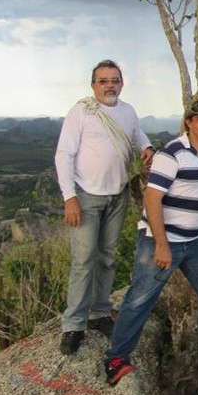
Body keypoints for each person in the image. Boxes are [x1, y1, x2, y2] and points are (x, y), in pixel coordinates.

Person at [103, 97, 198, 386]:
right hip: (162, 238)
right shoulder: (172, 153)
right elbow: (152, 198)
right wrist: (161, 244)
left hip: (196, 240)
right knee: (140, 298)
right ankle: (116, 358)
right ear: (189, 122)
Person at [55, 59, 154, 356]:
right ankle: (74, 324)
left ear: (121, 83)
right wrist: (69, 197)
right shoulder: (81, 111)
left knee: (107, 257)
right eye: (103, 81)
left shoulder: (127, 111)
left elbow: (136, 135)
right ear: (93, 85)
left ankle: (99, 313)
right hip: (86, 196)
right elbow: (64, 154)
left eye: (114, 80)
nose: (109, 85)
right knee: (84, 259)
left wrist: (147, 147)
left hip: (117, 194)